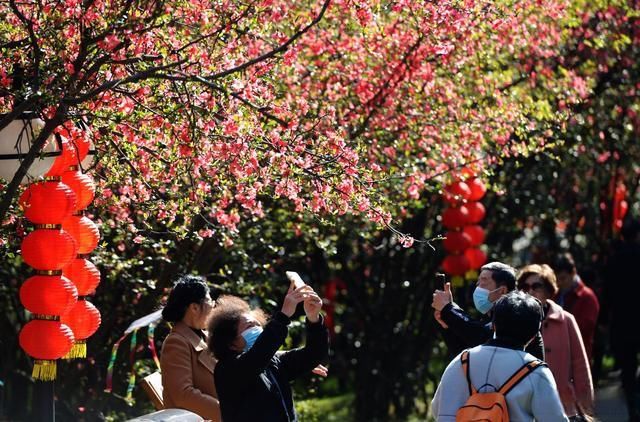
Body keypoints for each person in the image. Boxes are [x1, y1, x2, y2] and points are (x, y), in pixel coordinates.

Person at [431, 291, 568, 421]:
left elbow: (437, 409)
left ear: (493, 326)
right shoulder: (536, 371)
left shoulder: (462, 360)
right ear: (533, 337)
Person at [208, 283, 329, 422]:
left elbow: (314, 355)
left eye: (258, 325)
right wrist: (283, 316)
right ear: (231, 343)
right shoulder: (227, 370)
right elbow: (257, 357)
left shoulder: (272, 362)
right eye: (249, 326)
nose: (257, 330)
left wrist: (314, 319)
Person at [517, 264, 594, 418]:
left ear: (549, 290)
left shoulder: (566, 320)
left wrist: (584, 407)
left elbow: (580, 365)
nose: (530, 291)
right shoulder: (515, 321)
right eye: (525, 287)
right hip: (525, 408)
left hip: (564, 406)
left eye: (536, 286)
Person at [432, 261, 545, 360]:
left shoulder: (519, 314)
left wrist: (448, 309)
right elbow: (464, 352)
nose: (478, 287)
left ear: (502, 290)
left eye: (484, 281)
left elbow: (482, 337)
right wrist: (447, 326)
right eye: (478, 282)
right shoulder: (488, 317)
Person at [160, 275, 220, 421]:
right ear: (194, 307)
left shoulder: (203, 335)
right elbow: (183, 394)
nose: (213, 305)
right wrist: (228, 412)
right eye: (209, 300)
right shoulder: (176, 342)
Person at [604, 220, 640, 421]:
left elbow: (607, 292)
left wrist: (604, 318)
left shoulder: (614, 259)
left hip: (622, 321)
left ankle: (633, 406)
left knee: (628, 366)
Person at [554, 253, 600, 362]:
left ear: (573, 273)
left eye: (563, 278)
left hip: (578, 356)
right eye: (557, 279)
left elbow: (585, 328)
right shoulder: (556, 294)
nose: (559, 283)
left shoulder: (587, 296)